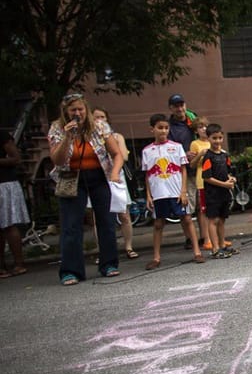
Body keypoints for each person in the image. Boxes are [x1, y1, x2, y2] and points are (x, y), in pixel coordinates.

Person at [48, 93, 124, 285]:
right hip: (72, 177)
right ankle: (71, 271)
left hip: (98, 176)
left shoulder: (99, 126)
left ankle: (109, 264)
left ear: (86, 110)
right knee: (71, 225)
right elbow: (57, 159)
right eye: (73, 110)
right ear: (66, 112)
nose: (77, 113)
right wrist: (67, 136)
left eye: (80, 109)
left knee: (105, 221)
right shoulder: (57, 128)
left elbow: (117, 154)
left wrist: (114, 173)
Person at [142, 113, 205, 269]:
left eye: (166, 128)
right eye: (159, 128)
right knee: (158, 223)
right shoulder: (147, 151)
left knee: (187, 219)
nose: (163, 131)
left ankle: (197, 251)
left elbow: (183, 170)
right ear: (152, 129)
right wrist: (148, 195)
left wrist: (183, 191)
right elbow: (147, 174)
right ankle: (156, 257)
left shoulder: (176, 147)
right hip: (159, 192)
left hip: (176, 191)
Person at [91, 107, 138, 260]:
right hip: (98, 177)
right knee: (99, 216)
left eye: (102, 117)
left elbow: (123, 156)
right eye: (96, 117)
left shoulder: (116, 136)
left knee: (124, 214)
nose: (99, 120)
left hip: (116, 175)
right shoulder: (89, 137)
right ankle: (103, 250)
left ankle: (128, 246)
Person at [166, 94, 202, 249]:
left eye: (182, 105)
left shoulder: (193, 120)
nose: (180, 109)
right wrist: (183, 154)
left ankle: (204, 237)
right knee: (186, 207)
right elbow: (167, 149)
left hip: (200, 169)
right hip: (183, 171)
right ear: (171, 108)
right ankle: (189, 238)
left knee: (202, 206)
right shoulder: (170, 127)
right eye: (176, 106)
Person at [201, 123, 236, 259]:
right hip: (213, 193)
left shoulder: (224, 155)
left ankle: (222, 245)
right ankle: (215, 248)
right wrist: (224, 184)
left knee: (222, 220)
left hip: (224, 192)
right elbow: (207, 177)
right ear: (208, 138)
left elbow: (228, 172)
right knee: (213, 220)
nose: (217, 141)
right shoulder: (208, 156)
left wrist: (231, 179)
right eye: (214, 138)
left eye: (220, 138)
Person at [0, 131, 29, 278]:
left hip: (5, 184)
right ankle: (1, 267)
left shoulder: (2, 136)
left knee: (9, 224)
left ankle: (19, 264)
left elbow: (16, 158)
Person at [189, 116, 212, 249]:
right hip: (202, 180)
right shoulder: (195, 144)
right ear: (196, 130)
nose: (203, 129)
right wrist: (200, 154)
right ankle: (206, 238)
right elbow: (192, 164)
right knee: (204, 211)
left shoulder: (212, 141)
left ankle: (218, 238)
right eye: (200, 127)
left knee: (215, 210)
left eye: (205, 126)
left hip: (215, 179)